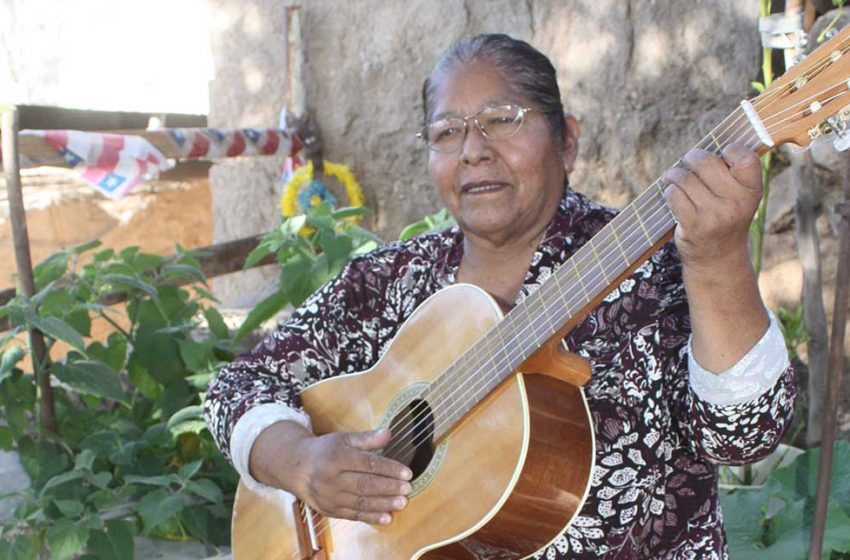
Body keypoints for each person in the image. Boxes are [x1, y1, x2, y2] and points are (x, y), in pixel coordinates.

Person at [205, 33, 794, 558]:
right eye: (447, 131)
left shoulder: (655, 264)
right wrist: (301, 463)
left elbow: (744, 434)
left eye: (502, 119)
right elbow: (239, 384)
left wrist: (716, 261)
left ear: (566, 140)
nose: (473, 150)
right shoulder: (388, 279)